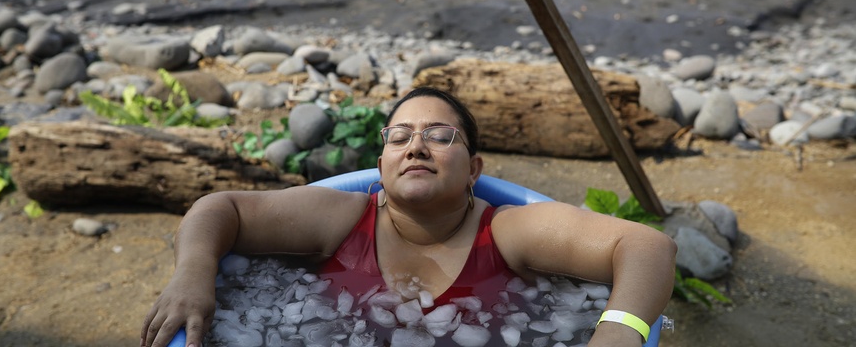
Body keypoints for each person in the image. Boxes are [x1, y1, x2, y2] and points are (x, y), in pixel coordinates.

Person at [141, 86, 676, 347]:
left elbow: (647, 247)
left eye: (440, 136)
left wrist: (619, 331)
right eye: (399, 136)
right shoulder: (342, 219)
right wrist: (192, 276)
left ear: (474, 169)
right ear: (381, 167)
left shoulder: (507, 231)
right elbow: (222, 208)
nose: (416, 145)